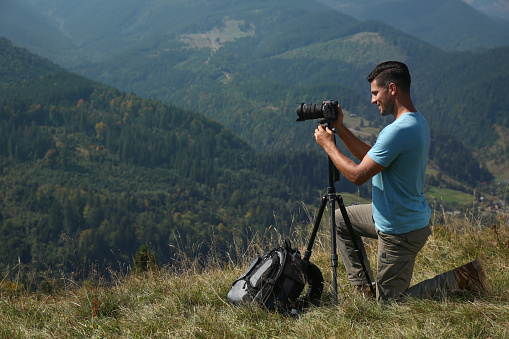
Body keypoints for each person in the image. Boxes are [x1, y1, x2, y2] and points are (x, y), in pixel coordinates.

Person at [314, 61, 491, 302]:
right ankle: (366, 289)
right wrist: (341, 129)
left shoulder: (398, 131)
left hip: (399, 230)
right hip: (392, 215)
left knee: (389, 305)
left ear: (393, 89)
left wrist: (329, 146)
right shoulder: (416, 122)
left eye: (376, 93)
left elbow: (357, 175)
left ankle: (465, 277)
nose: (372, 100)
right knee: (339, 220)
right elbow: (371, 159)